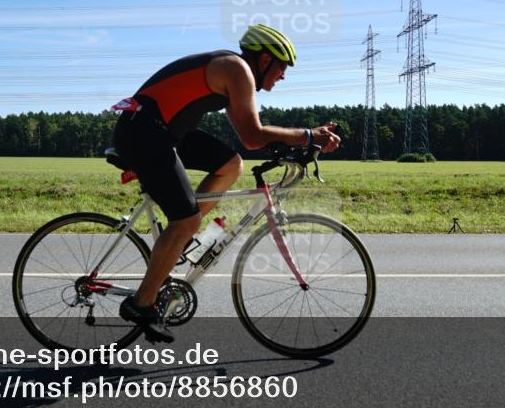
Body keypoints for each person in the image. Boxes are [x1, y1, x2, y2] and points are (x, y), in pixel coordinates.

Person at [111, 24, 341, 342]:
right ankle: (141, 304)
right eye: (282, 67)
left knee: (230, 165)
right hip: (144, 133)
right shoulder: (237, 69)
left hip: (162, 131)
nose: (283, 76)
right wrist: (308, 135)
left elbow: (249, 136)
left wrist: (298, 142)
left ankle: (178, 240)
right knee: (186, 219)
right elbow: (254, 135)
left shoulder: (234, 71)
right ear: (264, 60)